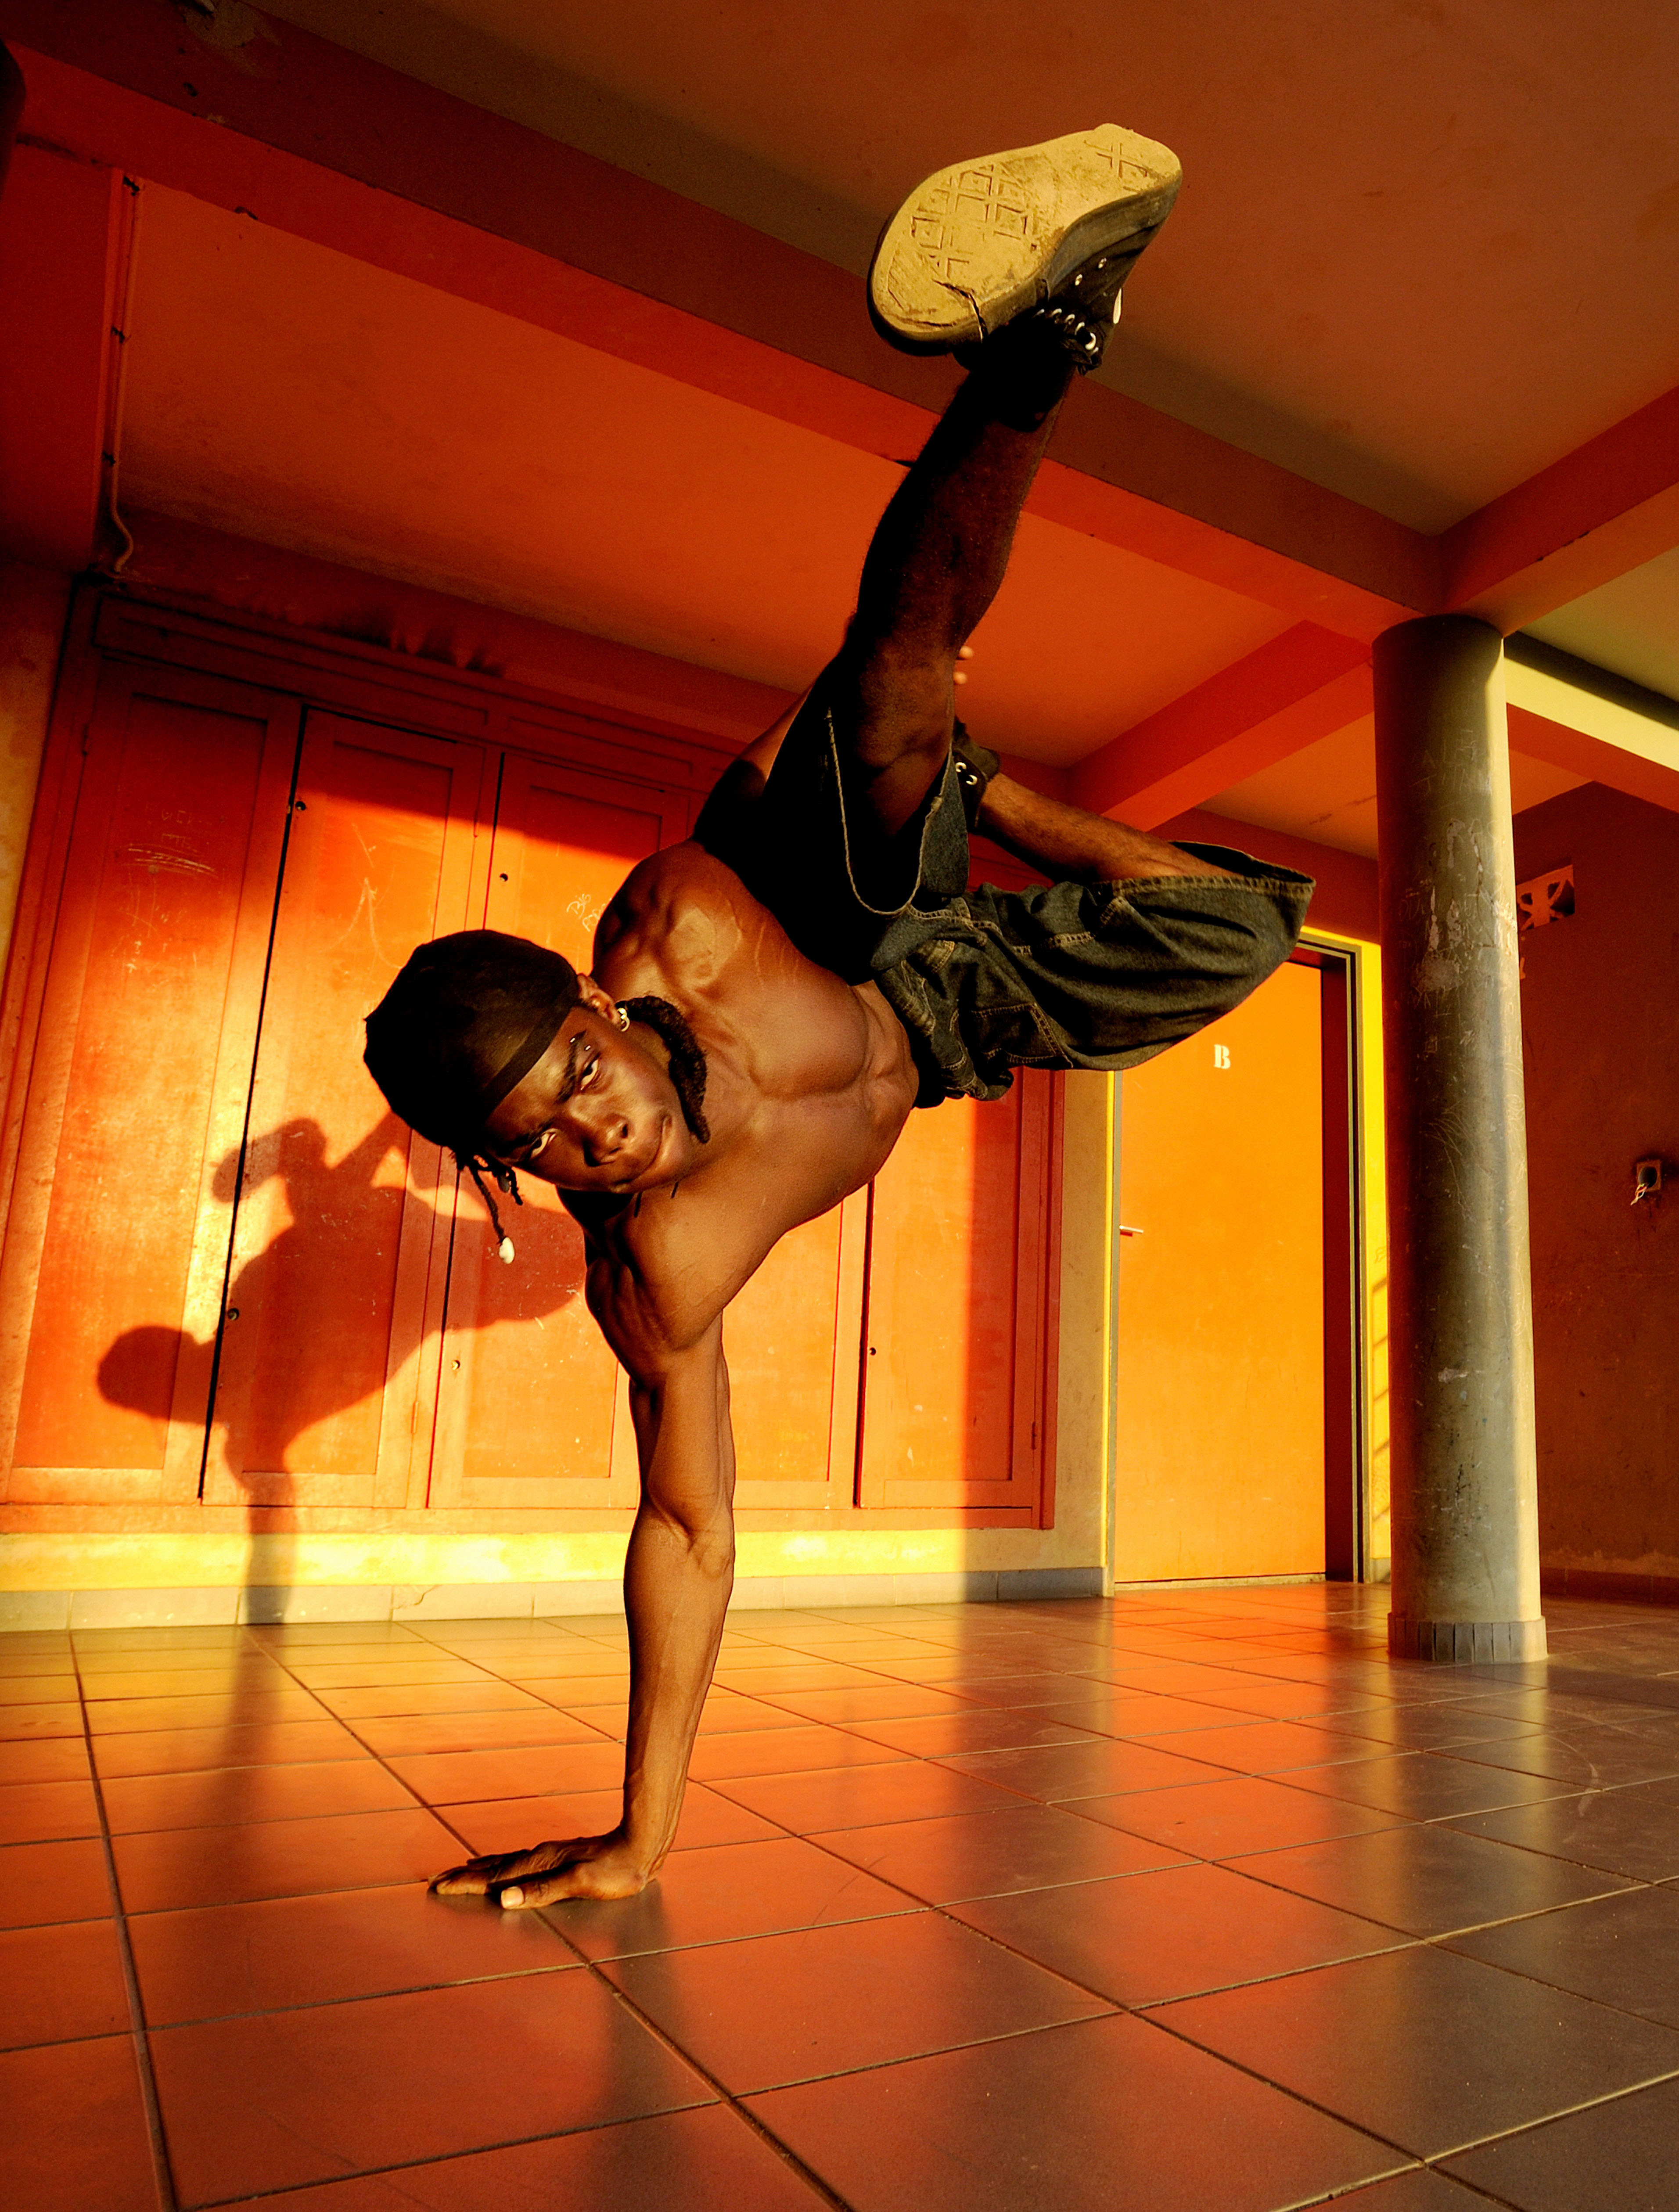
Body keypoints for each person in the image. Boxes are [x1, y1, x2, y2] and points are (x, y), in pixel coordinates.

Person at [363, 127, 1311, 1907]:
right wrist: (643, 1837)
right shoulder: (660, 1275)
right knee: (1246, 927)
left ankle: (1040, 350)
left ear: (600, 1001)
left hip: (830, 917)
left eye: (579, 1076)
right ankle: (990, 785)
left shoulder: (689, 920)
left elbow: (858, 678)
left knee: (894, 677)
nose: (597, 1133)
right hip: (951, 1021)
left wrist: (927, 770)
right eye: (543, 1144)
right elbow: (685, 1527)